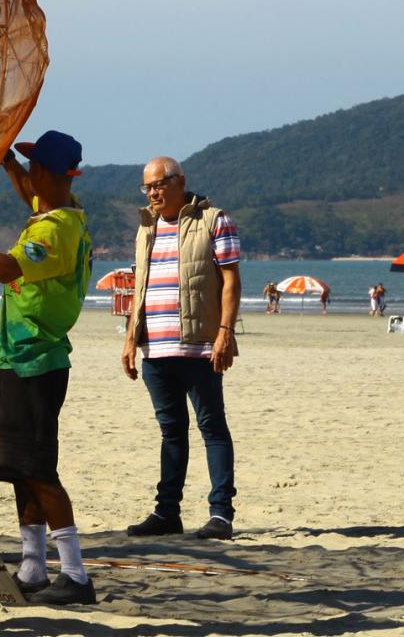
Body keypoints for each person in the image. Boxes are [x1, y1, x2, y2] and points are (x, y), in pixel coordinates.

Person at [0, 131, 95, 607]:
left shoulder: (53, 232)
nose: (28, 174)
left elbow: (9, 269)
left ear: (51, 175)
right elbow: (25, 187)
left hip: (36, 359)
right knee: (18, 468)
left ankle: (74, 573)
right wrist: (7, 159)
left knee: (39, 469)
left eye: (34, 167)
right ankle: (33, 565)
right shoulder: (60, 207)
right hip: (16, 356)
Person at [121, 157, 241, 542]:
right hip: (155, 347)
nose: (153, 193)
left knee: (211, 427)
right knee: (171, 431)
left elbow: (230, 280)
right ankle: (166, 512)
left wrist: (225, 333)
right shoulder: (147, 226)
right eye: (148, 187)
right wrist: (129, 339)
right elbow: (140, 287)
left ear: (180, 182)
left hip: (200, 345)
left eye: (159, 184)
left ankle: (221, 514)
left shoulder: (213, 220)